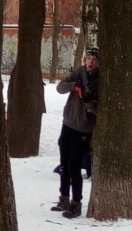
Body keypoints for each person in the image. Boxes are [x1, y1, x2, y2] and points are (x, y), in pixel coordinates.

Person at [50, 47, 99, 218]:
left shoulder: (100, 79)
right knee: (64, 163)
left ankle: (76, 203)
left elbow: (97, 108)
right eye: (88, 59)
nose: (90, 63)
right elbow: (60, 87)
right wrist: (74, 86)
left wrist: (87, 101)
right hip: (68, 123)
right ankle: (63, 197)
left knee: (74, 165)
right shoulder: (79, 72)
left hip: (83, 128)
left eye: (94, 60)